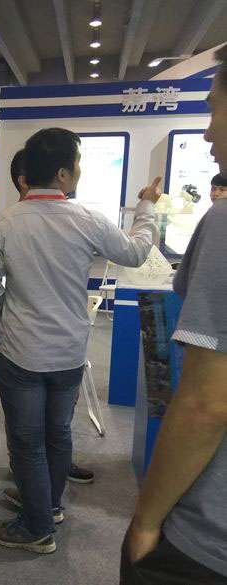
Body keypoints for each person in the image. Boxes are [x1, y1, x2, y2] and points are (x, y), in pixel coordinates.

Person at [0, 127, 161, 554]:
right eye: (76, 164)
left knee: (27, 441)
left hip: (21, 351)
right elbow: (136, 252)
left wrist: (6, 322)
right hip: (70, 351)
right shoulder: (87, 220)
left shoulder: (5, 223)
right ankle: (49, 507)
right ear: (61, 173)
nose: (78, 171)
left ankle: (37, 525)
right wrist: (147, 206)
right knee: (57, 432)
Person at [122, 45, 227, 585]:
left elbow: (208, 404)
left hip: (209, 540)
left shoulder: (224, 223)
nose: (208, 132)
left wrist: (145, 520)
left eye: (213, 108)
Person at [6, 147, 95, 486]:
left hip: (43, 346)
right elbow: (133, 251)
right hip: (44, 347)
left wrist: (2, 324)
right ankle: (38, 491)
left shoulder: (76, 217)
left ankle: (42, 490)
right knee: (34, 430)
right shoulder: (11, 221)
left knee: (47, 428)